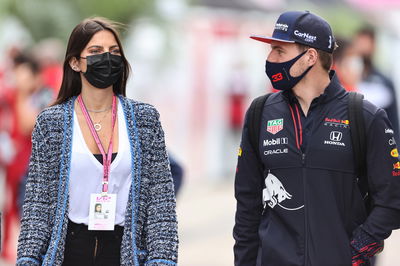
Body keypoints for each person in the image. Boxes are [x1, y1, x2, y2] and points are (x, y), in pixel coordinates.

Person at [233, 11, 400, 266]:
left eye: (279, 51)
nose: (270, 59)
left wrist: (353, 254)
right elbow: (247, 206)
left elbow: (392, 201)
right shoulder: (259, 114)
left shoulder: (365, 116)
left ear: (310, 56)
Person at [17, 17, 178, 266]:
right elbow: (37, 205)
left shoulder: (145, 119)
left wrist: (162, 260)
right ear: (74, 62)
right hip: (69, 250)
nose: (107, 58)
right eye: (95, 51)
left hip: (125, 251)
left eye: (114, 51)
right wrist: (28, 260)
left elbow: (161, 202)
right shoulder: (52, 123)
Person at [352, 26, 400, 143]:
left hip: (378, 142)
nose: (363, 47)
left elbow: (392, 120)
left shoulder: (383, 81)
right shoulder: (346, 79)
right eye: (360, 42)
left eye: (366, 43)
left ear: (374, 46)